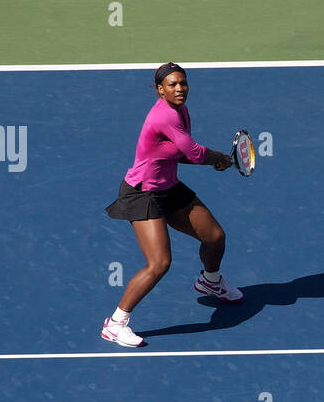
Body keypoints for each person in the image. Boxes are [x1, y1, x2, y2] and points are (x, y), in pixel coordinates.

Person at [102, 62, 244, 347]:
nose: (180, 88)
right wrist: (219, 158)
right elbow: (193, 151)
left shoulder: (181, 110)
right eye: (172, 85)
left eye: (183, 83)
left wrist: (212, 159)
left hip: (169, 188)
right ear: (159, 90)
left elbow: (178, 154)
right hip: (142, 193)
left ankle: (210, 281)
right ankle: (116, 323)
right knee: (159, 263)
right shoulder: (164, 116)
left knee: (215, 237)